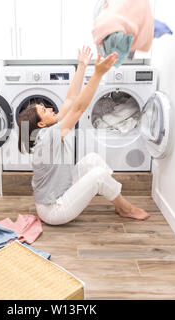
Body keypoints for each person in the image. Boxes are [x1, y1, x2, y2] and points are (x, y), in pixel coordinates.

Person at [17, 46, 150, 225]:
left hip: (60, 192)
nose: (50, 108)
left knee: (92, 160)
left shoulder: (45, 132)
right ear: (41, 124)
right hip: (54, 211)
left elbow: (71, 101)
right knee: (97, 175)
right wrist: (97, 74)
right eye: (44, 110)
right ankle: (126, 208)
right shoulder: (47, 138)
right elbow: (78, 109)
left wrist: (81, 65)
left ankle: (117, 201)